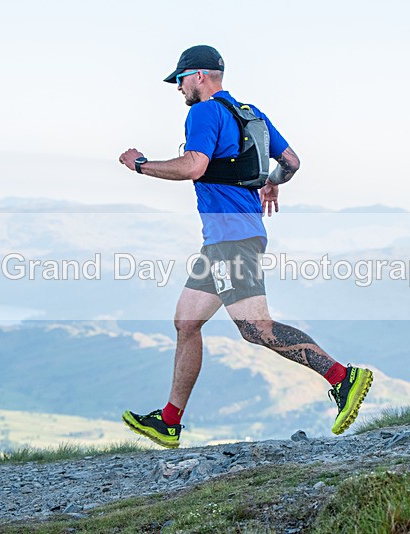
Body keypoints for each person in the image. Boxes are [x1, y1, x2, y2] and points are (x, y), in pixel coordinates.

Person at [118, 45, 373, 448]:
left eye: (180, 79)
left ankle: (342, 378)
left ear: (200, 75)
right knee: (186, 323)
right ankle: (169, 421)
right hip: (229, 238)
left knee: (256, 328)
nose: (178, 88)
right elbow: (290, 162)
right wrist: (270, 179)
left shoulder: (202, 111)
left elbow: (194, 167)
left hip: (231, 239)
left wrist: (140, 164)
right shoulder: (251, 114)